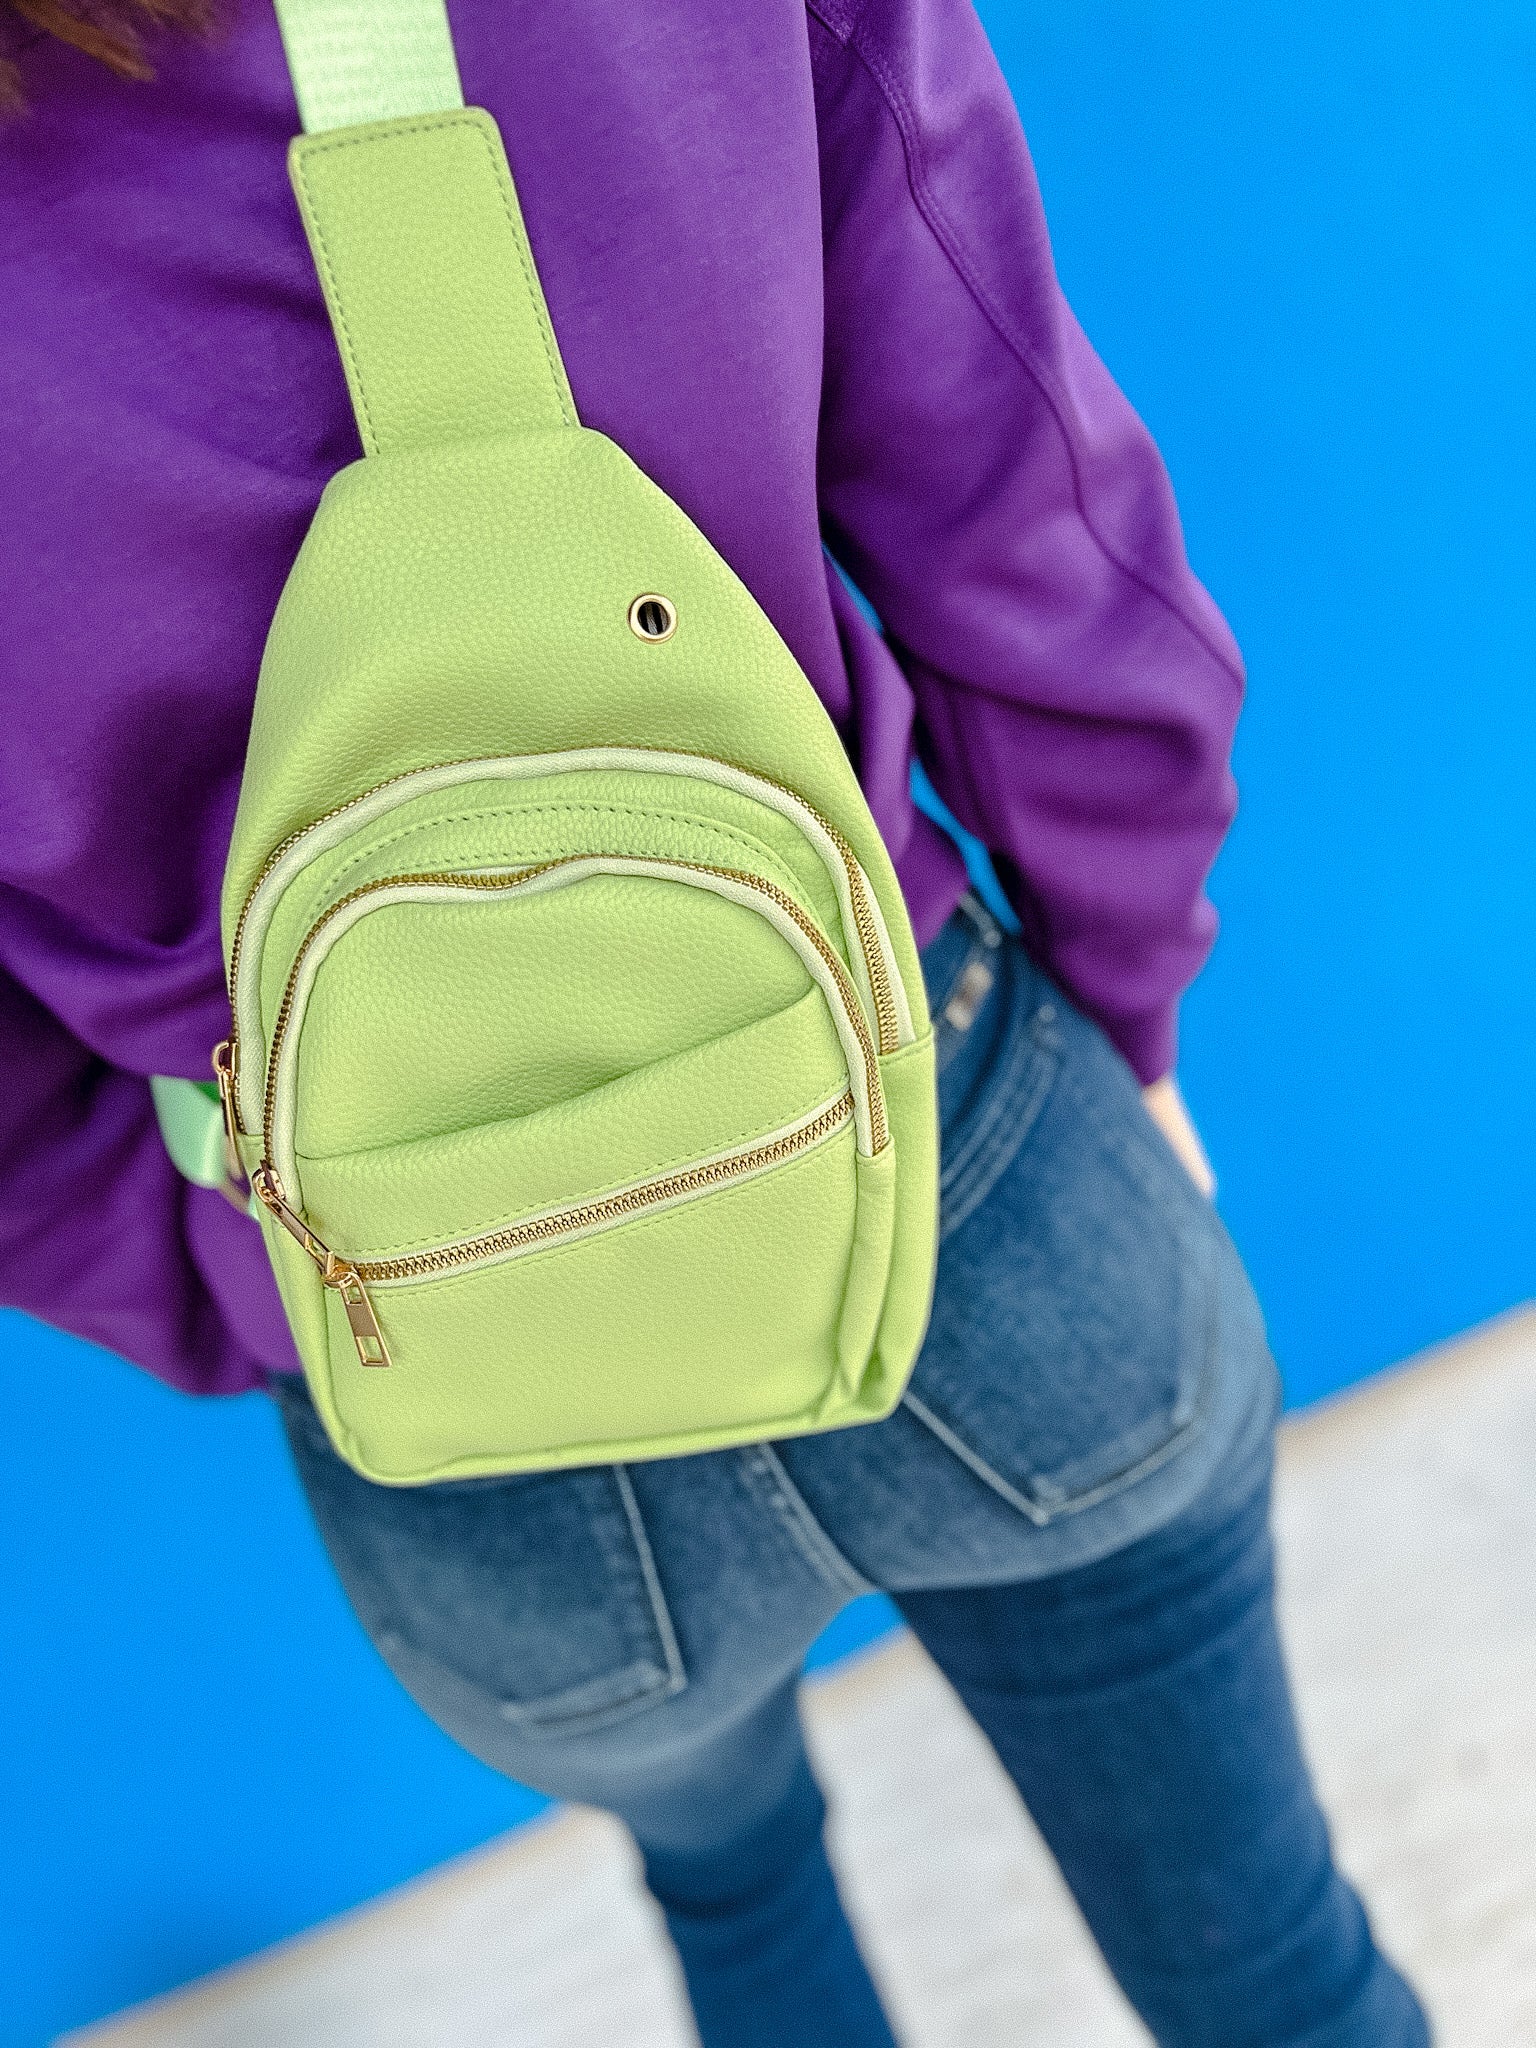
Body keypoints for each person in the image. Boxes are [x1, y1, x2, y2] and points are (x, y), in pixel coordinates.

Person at [0, 3, 1430, 2043]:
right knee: (1278, 1982)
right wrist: (1126, 998)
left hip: (426, 1361)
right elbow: (1029, 524)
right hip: (953, 1163)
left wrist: (231, 1279)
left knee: (739, 1907)